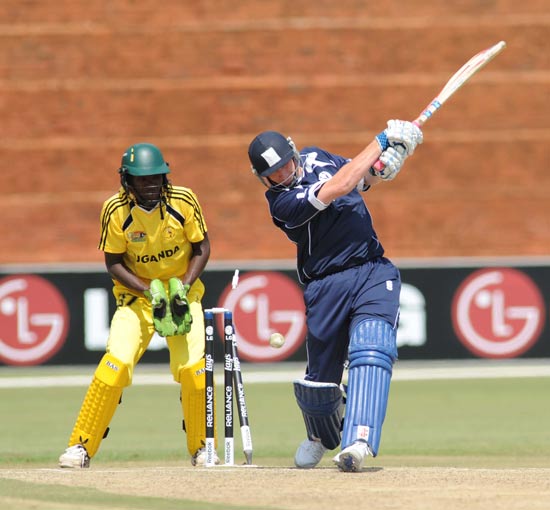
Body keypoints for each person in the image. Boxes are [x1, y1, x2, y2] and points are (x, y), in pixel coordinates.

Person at [247, 120, 423, 472]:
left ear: (294, 152)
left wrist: (385, 164)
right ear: (263, 179)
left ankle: (359, 441)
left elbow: (359, 178)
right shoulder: (282, 203)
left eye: (286, 164)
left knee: (372, 348)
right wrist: (383, 139)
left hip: (373, 269)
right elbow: (339, 186)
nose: (284, 174)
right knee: (320, 386)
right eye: (274, 174)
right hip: (325, 284)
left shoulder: (316, 156)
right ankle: (318, 437)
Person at [58, 142, 217, 468]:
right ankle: (80, 447)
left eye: (155, 178)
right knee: (115, 363)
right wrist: (149, 290)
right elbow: (113, 262)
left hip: (182, 300)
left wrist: (182, 288)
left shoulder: (183, 200)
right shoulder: (115, 210)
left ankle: (201, 448)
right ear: (127, 181)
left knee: (194, 370)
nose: (149, 186)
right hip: (136, 301)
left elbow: (202, 247)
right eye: (142, 180)